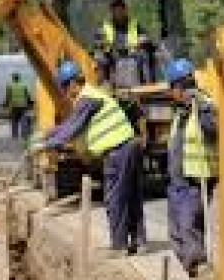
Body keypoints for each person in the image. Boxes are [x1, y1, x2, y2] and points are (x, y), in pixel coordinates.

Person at [32, 60, 146, 255]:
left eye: (65, 87)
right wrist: (47, 134)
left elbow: (73, 128)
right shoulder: (92, 96)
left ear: (73, 83)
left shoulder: (87, 99)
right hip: (128, 147)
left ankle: (119, 246)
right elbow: (70, 123)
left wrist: (45, 145)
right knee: (130, 196)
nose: (65, 92)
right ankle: (139, 242)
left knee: (115, 199)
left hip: (117, 152)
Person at [165, 58, 219, 276]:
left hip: (194, 180)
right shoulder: (181, 111)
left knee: (188, 227)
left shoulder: (204, 106)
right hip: (177, 181)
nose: (171, 93)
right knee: (176, 231)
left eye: (173, 88)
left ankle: (197, 269)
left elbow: (214, 130)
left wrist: (202, 107)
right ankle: (190, 268)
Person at [95, 0, 155, 85]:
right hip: (112, 58)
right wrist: (103, 45)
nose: (118, 13)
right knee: (100, 58)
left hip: (133, 56)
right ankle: (105, 84)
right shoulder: (104, 27)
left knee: (146, 55)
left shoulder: (135, 25)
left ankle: (147, 83)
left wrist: (142, 41)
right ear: (112, 11)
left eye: (121, 10)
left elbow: (145, 38)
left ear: (125, 10)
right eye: (115, 10)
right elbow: (98, 44)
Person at [4, 72, 32, 139]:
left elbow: (8, 96)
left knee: (14, 120)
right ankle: (24, 135)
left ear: (13, 78)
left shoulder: (10, 86)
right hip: (23, 105)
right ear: (19, 78)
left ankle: (15, 135)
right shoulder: (24, 85)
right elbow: (28, 95)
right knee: (23, 120)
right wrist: (29, 104)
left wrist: (6, 104)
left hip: (14, 105)